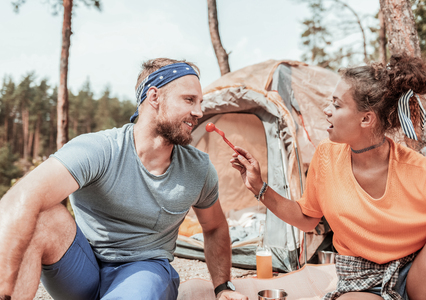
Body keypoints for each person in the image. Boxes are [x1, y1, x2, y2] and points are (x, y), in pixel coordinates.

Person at [0, 58, 248, 300]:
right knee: (41, 217)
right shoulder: (98, 150)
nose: (199, 112)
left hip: (144, 268)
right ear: (154, 97)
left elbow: (214, 227)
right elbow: (22, 197)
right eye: (189, 100)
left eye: (200, 102)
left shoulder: (198, 168)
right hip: (82, 268)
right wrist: (5, 280)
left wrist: (222, 286)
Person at [231, 54, 426, 300]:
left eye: (337, 105)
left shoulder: (419, 171)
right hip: (362, 282)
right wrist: (259, 186)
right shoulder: (326, 155)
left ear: (366, 118)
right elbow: (306, 219)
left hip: (416, 276)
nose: (327, 111)